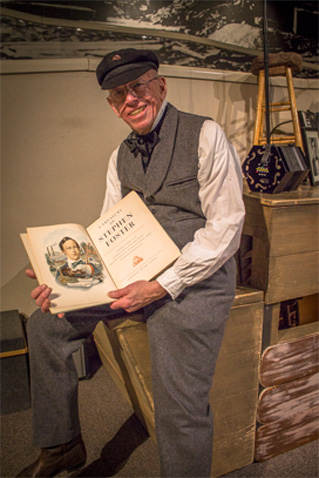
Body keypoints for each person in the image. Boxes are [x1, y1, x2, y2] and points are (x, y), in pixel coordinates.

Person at [17, 48, 245, 478]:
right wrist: (63, 278)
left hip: (193, 280)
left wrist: (164, 285)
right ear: (111, 105)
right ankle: (61, 445)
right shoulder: (117, 157)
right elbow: (108, 233)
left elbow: (226, 227)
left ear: (160, 84)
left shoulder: (205, 134)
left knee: (178, 400)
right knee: (45, 322)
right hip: (133, 275)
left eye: (138, 86)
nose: (131, 99)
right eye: (119, 93)